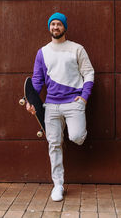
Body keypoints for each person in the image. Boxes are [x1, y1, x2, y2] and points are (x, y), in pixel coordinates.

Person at [26, 12, 94, 201]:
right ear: (49, 27)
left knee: (77, 137)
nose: (55, 27)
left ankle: (71, 131)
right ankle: (58, 185)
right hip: (52, 106)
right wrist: (31, 101)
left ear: (65, 27)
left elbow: (89, 73)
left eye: (59, 24)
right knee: (54, 144)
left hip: (74, 103)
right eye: (52, 24)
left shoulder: (77, 49)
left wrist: (84, 98)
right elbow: (37, 81)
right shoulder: (43, 52)